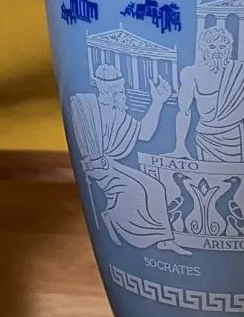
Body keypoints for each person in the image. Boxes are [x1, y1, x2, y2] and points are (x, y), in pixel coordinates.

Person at [69, 64, 177, 247]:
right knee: (134, 191)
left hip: (111, 166)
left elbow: (145, 133)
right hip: (97, 167)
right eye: (118, 89)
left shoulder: (117, 112)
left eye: (121, 87)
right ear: (105, 89)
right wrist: (93, 162)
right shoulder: (87, 106)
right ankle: (120, 224)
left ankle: (164, 242)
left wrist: (158, 102)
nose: (122, 92)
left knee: (156, 187)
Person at [171, 24, 244, 164]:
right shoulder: (190, 73)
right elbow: (184, 111)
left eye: (222, 47)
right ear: (204, 48)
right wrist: (180, 146)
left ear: (228, 49)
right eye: (212, 47)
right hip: (206, 137)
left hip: (235, 136)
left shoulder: (241, 70)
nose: (217, 52)